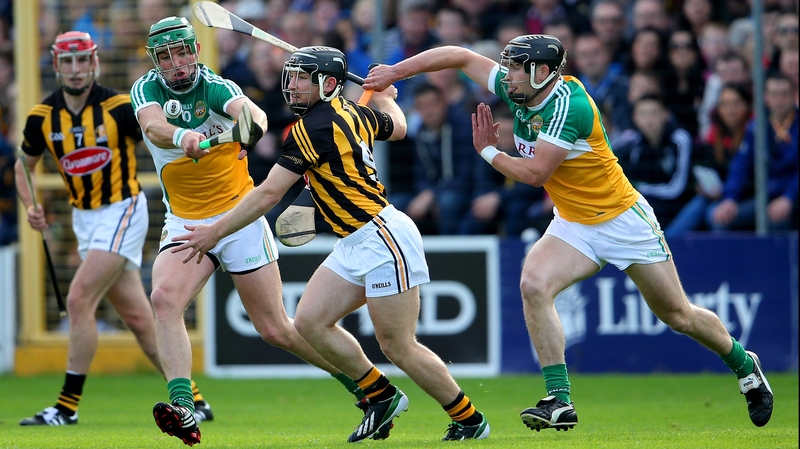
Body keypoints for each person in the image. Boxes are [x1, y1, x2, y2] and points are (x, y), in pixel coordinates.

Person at [364, 33, 774, 432]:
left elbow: (535, 173)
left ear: (542, 72)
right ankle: (559, 400)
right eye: (506, 69)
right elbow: (458, 55)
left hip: (621, 220)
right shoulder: (519, 88)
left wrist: (488, 151)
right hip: (574, 222)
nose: (506, 78)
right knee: (533, 285)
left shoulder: (569, 106)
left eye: (516, 71)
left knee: (677, 315)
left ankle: (744, 364)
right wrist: (393, 74)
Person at [171, 45, 490, 442]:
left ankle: (469, 418)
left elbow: (269, 194)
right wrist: (389, 97)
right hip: (352, 241)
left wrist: (213, 232)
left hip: (382, 237)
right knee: (309, 322)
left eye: (303, 78)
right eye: (292, 77)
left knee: (398, 345)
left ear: (329, 84)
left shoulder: (312, 129)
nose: (293, 86)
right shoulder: (351, 111)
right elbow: (399, 125)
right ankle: (381, 395)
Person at [129, 18, 367, 446]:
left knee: (277, 329)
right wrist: (184, 135)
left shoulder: (217, 86)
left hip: (238, 217)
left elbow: (253, 116)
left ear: (196, 50)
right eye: (166, 57)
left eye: (183, 53)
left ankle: (363, 384)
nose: (177, 64)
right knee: (164, 298)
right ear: (155, 61)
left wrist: (244, 128)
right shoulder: (146, 89)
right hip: (186, 220)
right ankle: (184, 405)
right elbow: (152, 126)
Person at [14, 30, 212, 427]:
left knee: (78, 299)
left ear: (95, 62)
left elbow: (160, 138)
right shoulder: (42, 116)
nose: (75, 70)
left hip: (122, 210)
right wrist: (31, 205)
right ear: (56, 64)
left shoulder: (120, 107)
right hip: (84, 219)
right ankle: (195, 400)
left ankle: (66, 407)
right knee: (140, 320)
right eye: (67, 62)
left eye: (82, 60)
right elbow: (23, 166)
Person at [707, 72, 798, 232]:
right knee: (719, 217)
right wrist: (730, 198)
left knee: (778, 219)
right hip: (765, 198)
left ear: (793, 96)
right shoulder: (756, 127)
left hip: (793, 197)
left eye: (784, 94)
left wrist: (789, 197)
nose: (779, 100)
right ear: (766, 97)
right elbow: (740, 165)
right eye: (774, 94)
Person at [613, 94, 694, 228]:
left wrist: (639, 189)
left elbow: (676, 189)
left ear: (665, 115)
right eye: (643, 114)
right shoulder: (632, 143)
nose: (649, 120)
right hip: (649, 204)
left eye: (654, 113)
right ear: (635, 117)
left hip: (679, 205)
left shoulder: (680, 139)